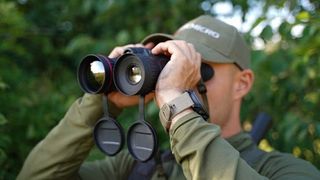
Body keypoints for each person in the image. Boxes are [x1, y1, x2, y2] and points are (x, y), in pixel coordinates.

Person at [17, 15, 320, 180]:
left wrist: (178, 105)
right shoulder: (137, 167)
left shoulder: (283, 170)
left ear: (242, 83)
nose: (180, 76)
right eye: (170, 64)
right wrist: (100, 103)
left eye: (199, 67)